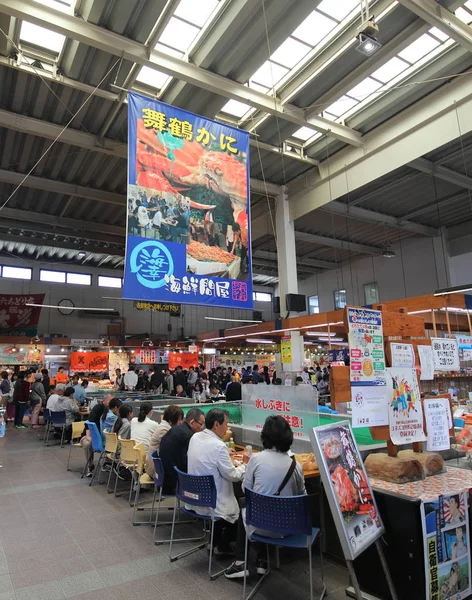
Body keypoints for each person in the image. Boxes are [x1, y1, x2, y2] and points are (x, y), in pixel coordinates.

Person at [225, 415, 306, 579]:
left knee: (246, 504)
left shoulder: (256, 460)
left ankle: (241, 562)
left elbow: (246, 490)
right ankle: (262, 560)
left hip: (259, 525)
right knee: (266, 507)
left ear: (264, 437)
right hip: (289, 528)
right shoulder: (296, 466)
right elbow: (301, 497)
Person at [187, 408, 248, 554]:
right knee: (238, 506)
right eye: (226, 424)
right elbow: (232, 475)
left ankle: (216, 542)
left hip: (194, 496)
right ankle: (223, 545)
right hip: (212, 500)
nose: (227, 428)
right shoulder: (218, 446)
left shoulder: (195, 437)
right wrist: (245, 464)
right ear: (216, 424)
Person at [159, 407, 205, 494]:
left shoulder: (177, 429)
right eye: (201, 424)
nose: (202, 427)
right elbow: (187, 462)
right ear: (192, 422)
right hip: (174, 481)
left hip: (164, 476)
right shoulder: (188, 435)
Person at [146, 405, 184, 478]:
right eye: (179, 419)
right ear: (170, 420)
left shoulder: (165, 427)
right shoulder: (163, 430)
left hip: (157, 465)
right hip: (155, 469)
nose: (181, 422)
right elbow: (173, 449)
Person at [81, 394, 113, 477]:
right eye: (109, 401)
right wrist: (88, 437)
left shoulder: (112, 411)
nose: (110, 403)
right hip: (90, 434)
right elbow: (88, 423)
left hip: (103, 436)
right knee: (88, 444)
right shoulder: (97, 408)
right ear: (104, 401)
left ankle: (107, 463)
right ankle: (90, 466)